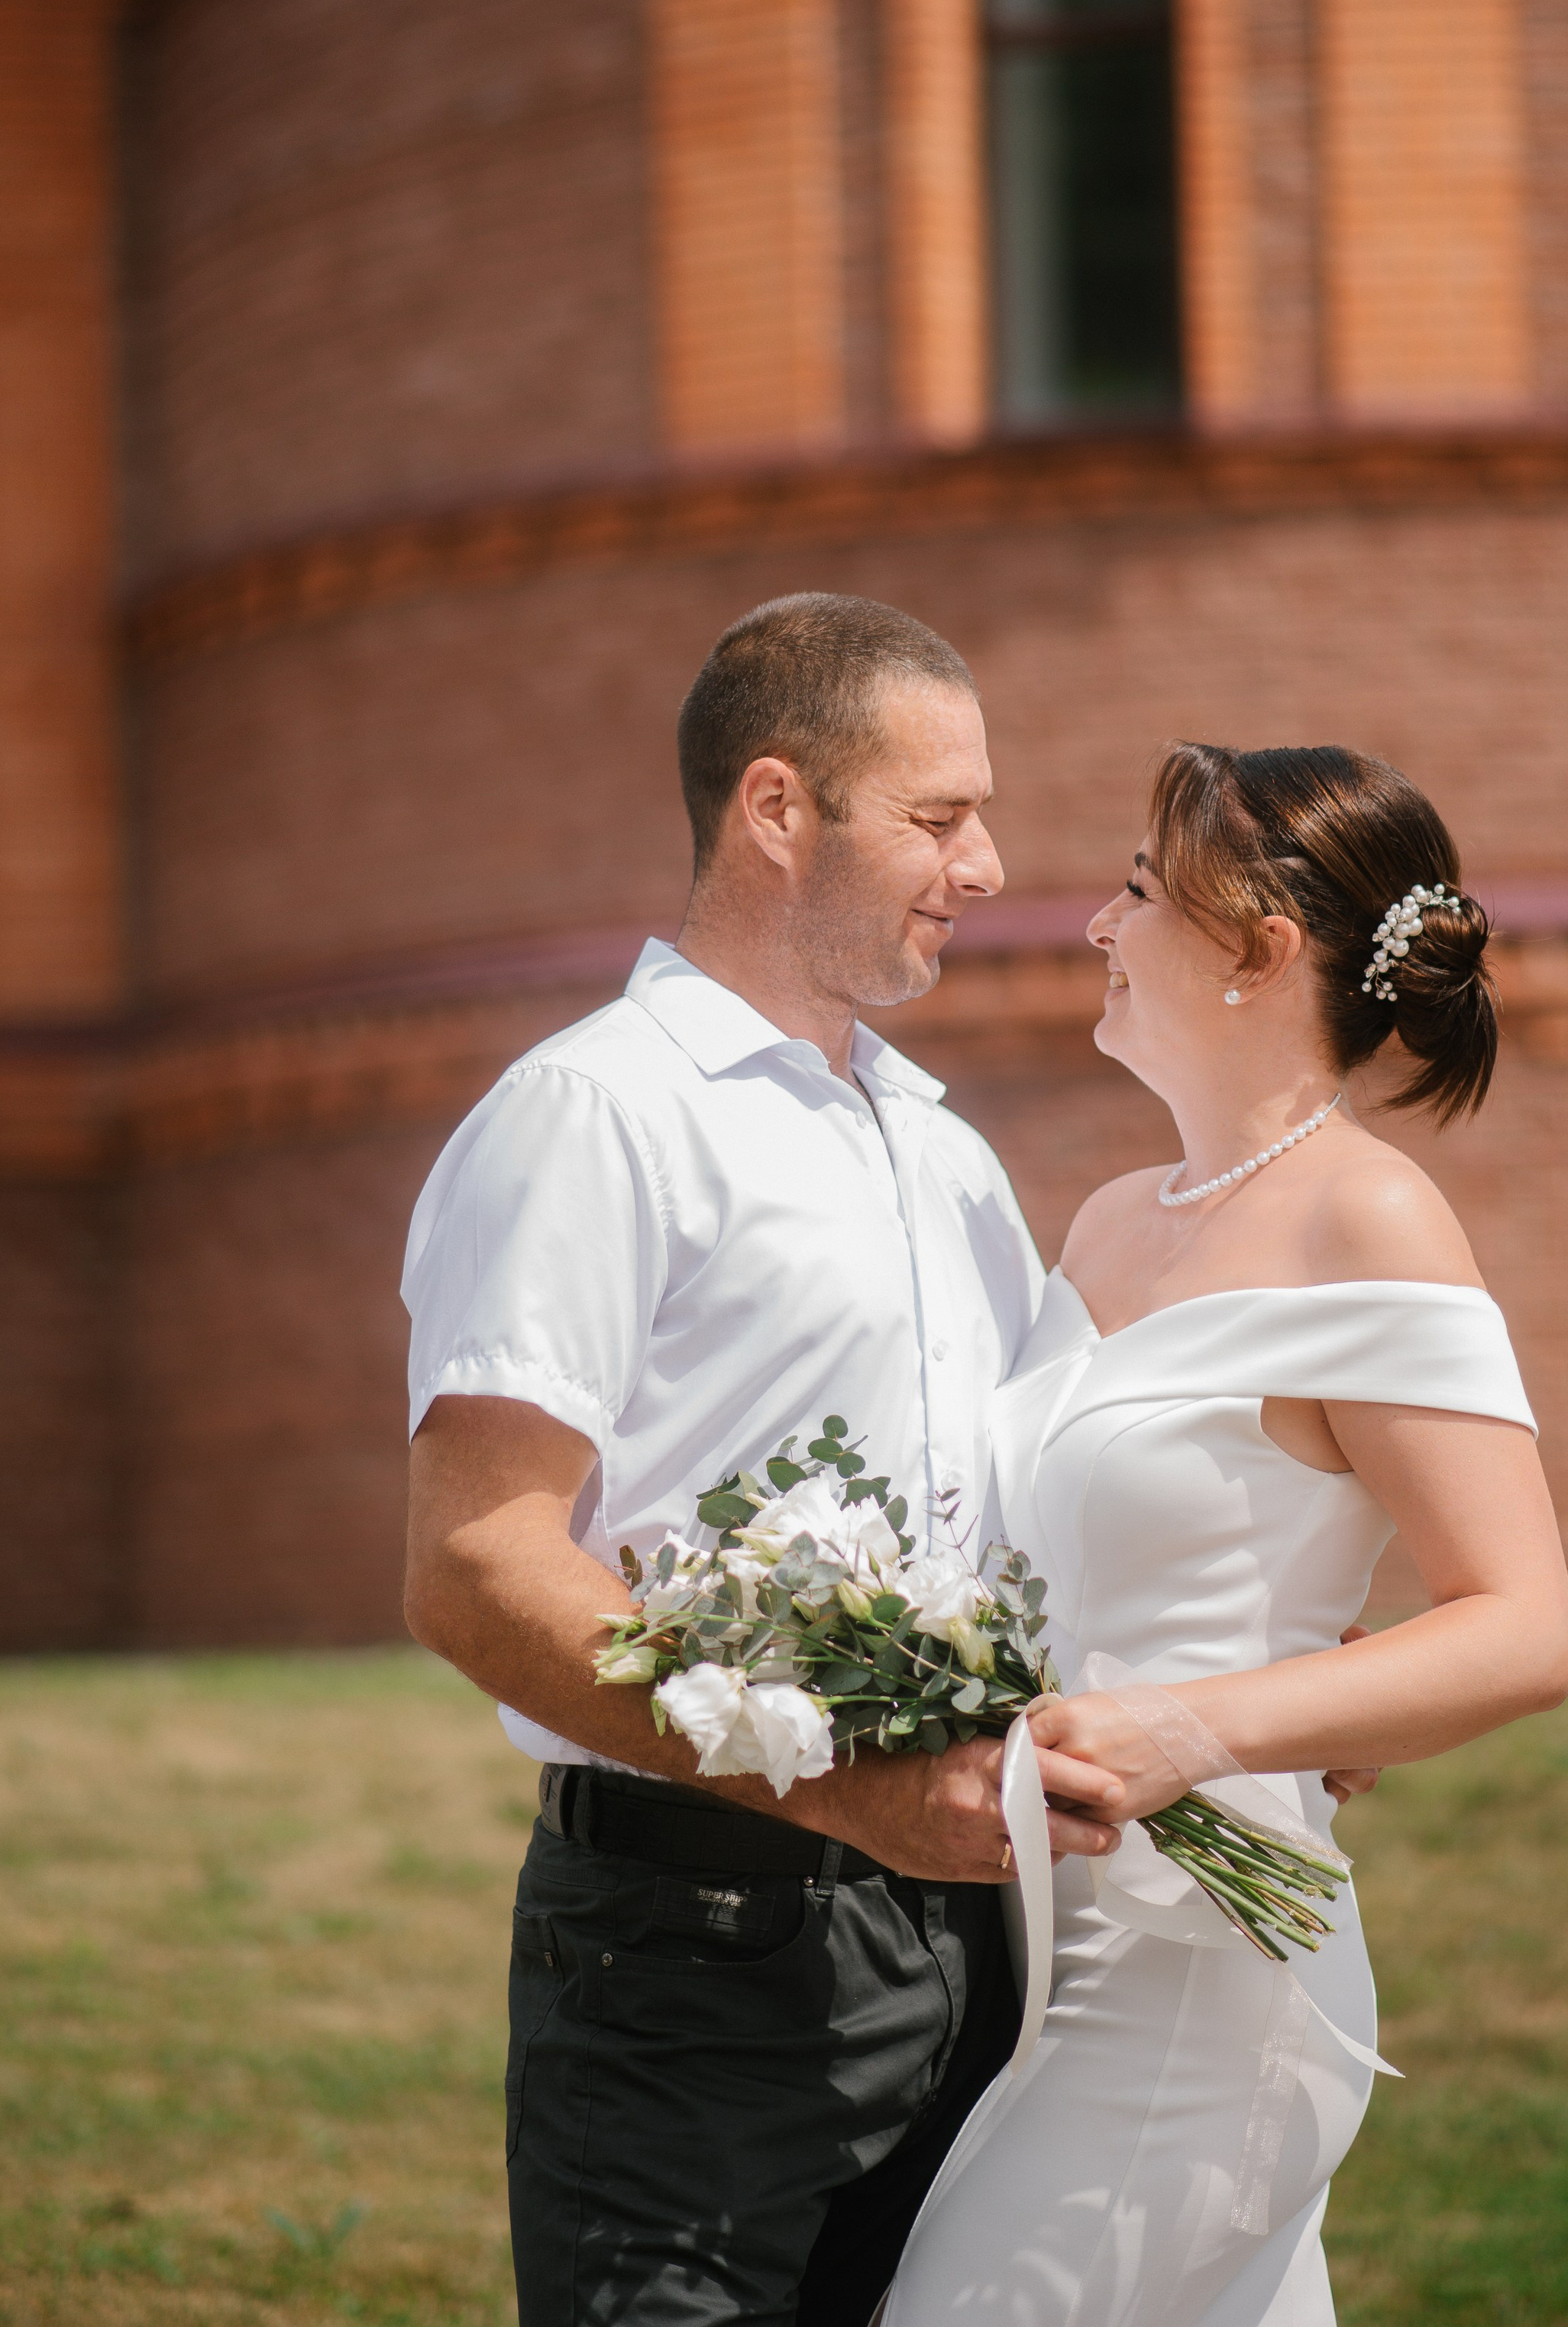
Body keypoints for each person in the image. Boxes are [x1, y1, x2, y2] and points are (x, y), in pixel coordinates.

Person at [399, 593, 1130, 2327]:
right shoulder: (595, 1115)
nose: (985, 867)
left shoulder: (945, 1152)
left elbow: (1038, 1505)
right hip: (694, 1948)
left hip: (973, 1947)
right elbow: (476, 1561)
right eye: (938, 818)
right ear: (778, 807)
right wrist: (844, 1793)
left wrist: (1254, 1684)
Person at [882, 742, 1568, 2327]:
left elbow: (1521, 1625)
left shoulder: (1367, 1216)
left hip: (1201, 1973)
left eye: (1137, 889)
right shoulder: (1109, 1217)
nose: (1096, 924)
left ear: (1257, 951)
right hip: (1028, 1950)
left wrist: (1197, 1724)